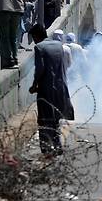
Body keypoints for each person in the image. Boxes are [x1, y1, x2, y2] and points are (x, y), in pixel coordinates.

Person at [28, 24, 73, 155]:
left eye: (34, 37)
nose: (34, 40)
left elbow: (40, 69)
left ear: (37, 36)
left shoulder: (39, 47)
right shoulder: (59, 46)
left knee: (44, 119)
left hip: (46, 89)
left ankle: (46, 148)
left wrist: (34, 85)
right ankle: (58, 145)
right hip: (61, 87)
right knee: (55, 119)